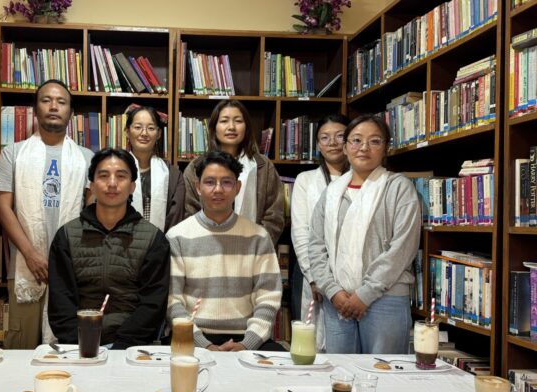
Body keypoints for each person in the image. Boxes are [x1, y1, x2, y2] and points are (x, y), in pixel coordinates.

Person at [0, 79, 94, 349]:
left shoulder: (86, 158)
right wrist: (31, 254)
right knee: (21, 345)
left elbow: (91, 212)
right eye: (46, 100)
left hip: (71, 267)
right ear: (36, 109)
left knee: (66, 346)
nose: (53, 106)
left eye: (61, 102)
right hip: (25, 266)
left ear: (71, 112)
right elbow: (2, 206)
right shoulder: (13, 154)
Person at [307, 114, 421, 354]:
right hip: (337, 301)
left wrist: (365, 295)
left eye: (374, 141)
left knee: (383, 371)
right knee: (340, 373)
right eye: (356, 140)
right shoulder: (331, 193)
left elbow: (403, 248)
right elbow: (316, 246)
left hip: (385, 299)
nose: (364, 147)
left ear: (385, 148)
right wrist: (333, 291)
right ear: (345, 147)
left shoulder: (399, 188)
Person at [48, 149, 170, 349]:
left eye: (121, 176)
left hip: (131, 348)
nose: (112, 183)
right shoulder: (66, 236)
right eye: (103, 176)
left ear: (132, 186)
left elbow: (153, 305)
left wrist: (120, 347)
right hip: (78, 346)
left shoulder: (154, 239)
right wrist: (81, 343)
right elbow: (60, 302)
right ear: (92, 186)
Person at [168, 151, 283, 352]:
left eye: (227, 182)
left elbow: (268, 298)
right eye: (210, 182)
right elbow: (172, 302)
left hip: (245, 336)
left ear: (237, 188)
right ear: (198, 187)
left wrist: (246, 344)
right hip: (193, 336)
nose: (218, 189)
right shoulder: (177, 236)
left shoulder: (258, 237)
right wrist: (204, 344)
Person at [183, 100, 285, 245]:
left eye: (238, 121)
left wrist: (257, 246)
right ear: (214, 127)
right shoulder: (196, 167)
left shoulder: (263, 166)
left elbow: (274, 216)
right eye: (224, 121)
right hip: (206, 247)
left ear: (246, 127)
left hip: (253, 249)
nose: (231, 127)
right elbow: (190, 213)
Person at [291, 114, 349, 351]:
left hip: (352, 276)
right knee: (312, 344)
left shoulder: (362, 179)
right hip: (313, 273)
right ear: (317, 144)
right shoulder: (306, 180)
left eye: (340, 136)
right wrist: (315, 278)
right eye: (325, 138)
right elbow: (300, 231)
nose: (332, 142)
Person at [125, 105, 185, 232]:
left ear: (159, 134)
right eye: (138, 127)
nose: (144, 133)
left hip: (162, 241)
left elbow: (175, 220)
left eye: (151, 128)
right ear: (127, 132)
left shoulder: (173, 174)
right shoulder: (116, 171)